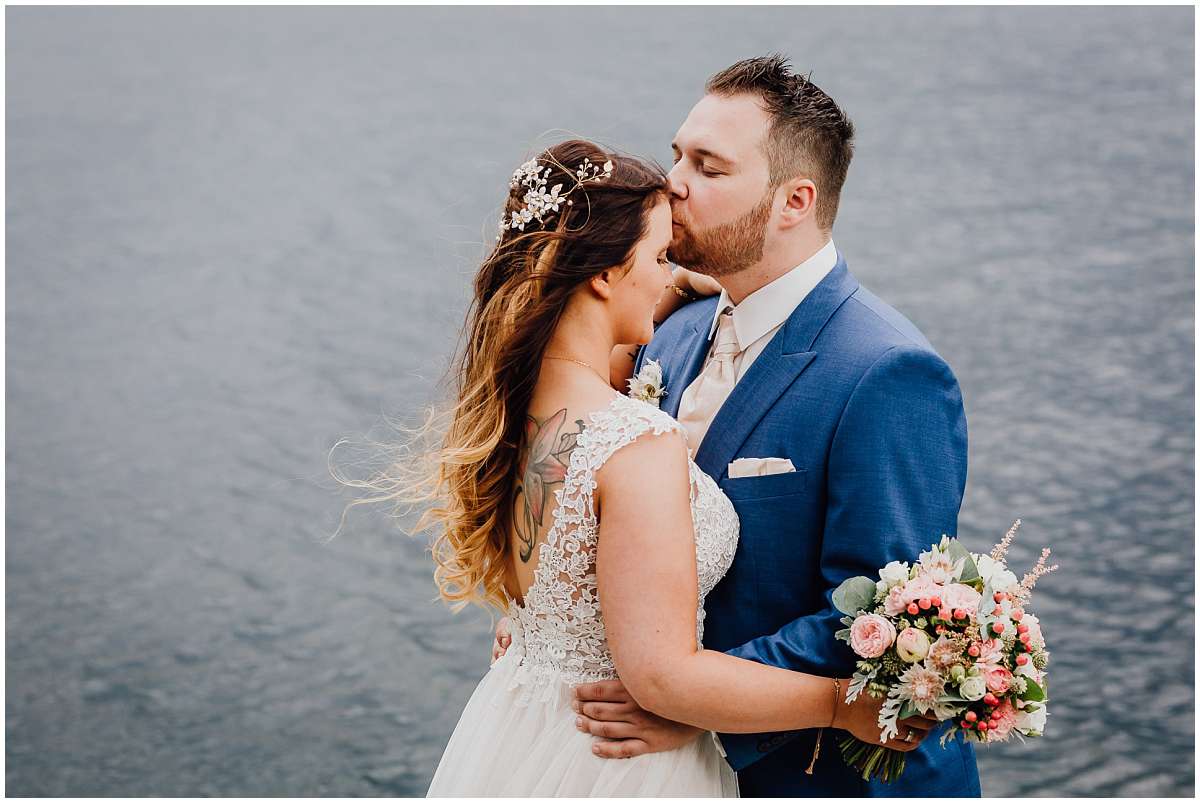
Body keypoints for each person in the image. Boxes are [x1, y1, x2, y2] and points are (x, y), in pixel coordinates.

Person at [376, 138, 935, 797]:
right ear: (605, 275)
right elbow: (662, 677)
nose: (671, 276)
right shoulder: (635, 440)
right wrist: (845, 704)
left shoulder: (524, 413)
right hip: (621, 763)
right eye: (659, 258)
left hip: (523, 731)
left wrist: (674, 290)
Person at [493, 56, 983, 796]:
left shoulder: (888, 373)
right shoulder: (672, 328)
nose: (672, 184)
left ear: (793, 201)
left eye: (709, 168)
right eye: (677, 154)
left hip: (823, 778)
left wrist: (692, 702)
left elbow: (879, 620)